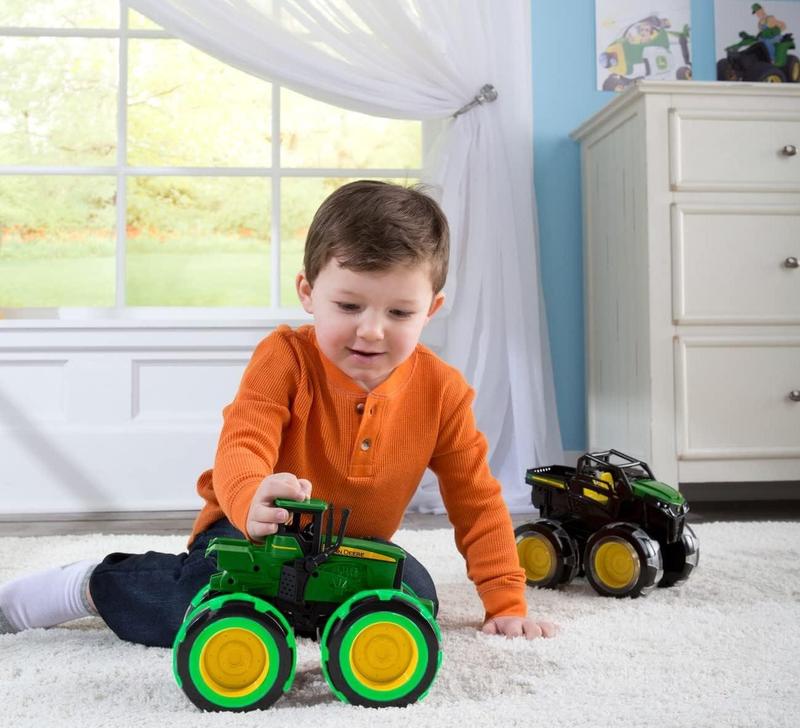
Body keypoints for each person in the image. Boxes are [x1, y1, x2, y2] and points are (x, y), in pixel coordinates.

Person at [0, 180, 557, 647]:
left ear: (431, 310)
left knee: (416, 600)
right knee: (196, 607)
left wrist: (504, 598)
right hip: (253, 533)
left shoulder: (443, 391)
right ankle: (89, 585)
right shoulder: (285, 358)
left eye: (399, 312)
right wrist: (251, 497)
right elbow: (242, 442)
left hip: (349, 547)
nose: (371, 329)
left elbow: (477, 499)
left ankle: (298, 615)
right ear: (309, 293)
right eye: (349, 306)